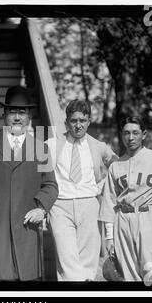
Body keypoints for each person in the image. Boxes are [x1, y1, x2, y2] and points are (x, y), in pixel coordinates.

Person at [0, 86, 58, 281]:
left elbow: (50, 185)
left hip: (27, 226)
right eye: (12, 112)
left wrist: (41, 209)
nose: (17, 118)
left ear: (29, 117)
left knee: (27, 278)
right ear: (4, 116)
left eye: (22, 112)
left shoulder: (40, 148)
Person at [46, 99, 118, 281]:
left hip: (89, 204)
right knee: (67, 259)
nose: (78, 125)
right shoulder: (51, 145)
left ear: (89, 121)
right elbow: (40, 175)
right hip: (60, 205)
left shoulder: (98, 146)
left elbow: (119, 167)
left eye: (82, 120)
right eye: (73, 120)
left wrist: (102, 187)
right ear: (67, 121)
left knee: (88, 261)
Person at [99, 116, 152, 282]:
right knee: (129, 276)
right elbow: (109, 202)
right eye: (126, 133)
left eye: (135, 133)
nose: (131, 138)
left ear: (143, 135)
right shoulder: (116, 166)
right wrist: (109, 237)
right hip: (123, 221)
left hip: (149, 217)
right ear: (121, 136)